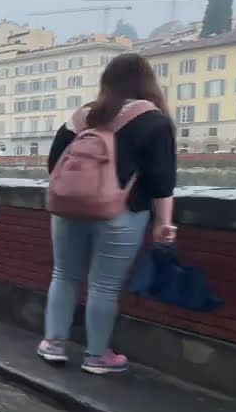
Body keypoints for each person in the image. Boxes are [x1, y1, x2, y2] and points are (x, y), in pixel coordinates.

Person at [39, 53, 177, 374]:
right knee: (104, 286)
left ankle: (53, 343)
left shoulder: (82, 116)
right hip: (121, 213)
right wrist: (164, 222)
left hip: (68, 209)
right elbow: (162, 180)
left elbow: (53, 164)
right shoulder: (153, 120)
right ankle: (96, 355)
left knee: (64, 275)